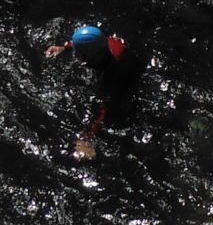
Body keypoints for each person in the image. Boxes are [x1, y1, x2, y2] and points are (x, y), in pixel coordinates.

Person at [45, 24, 145, 159]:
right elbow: (89, 43)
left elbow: (104, 111)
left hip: (127, 82)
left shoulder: (108, 78)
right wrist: (63, 48)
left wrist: (88, 138)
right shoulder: (112, 43)